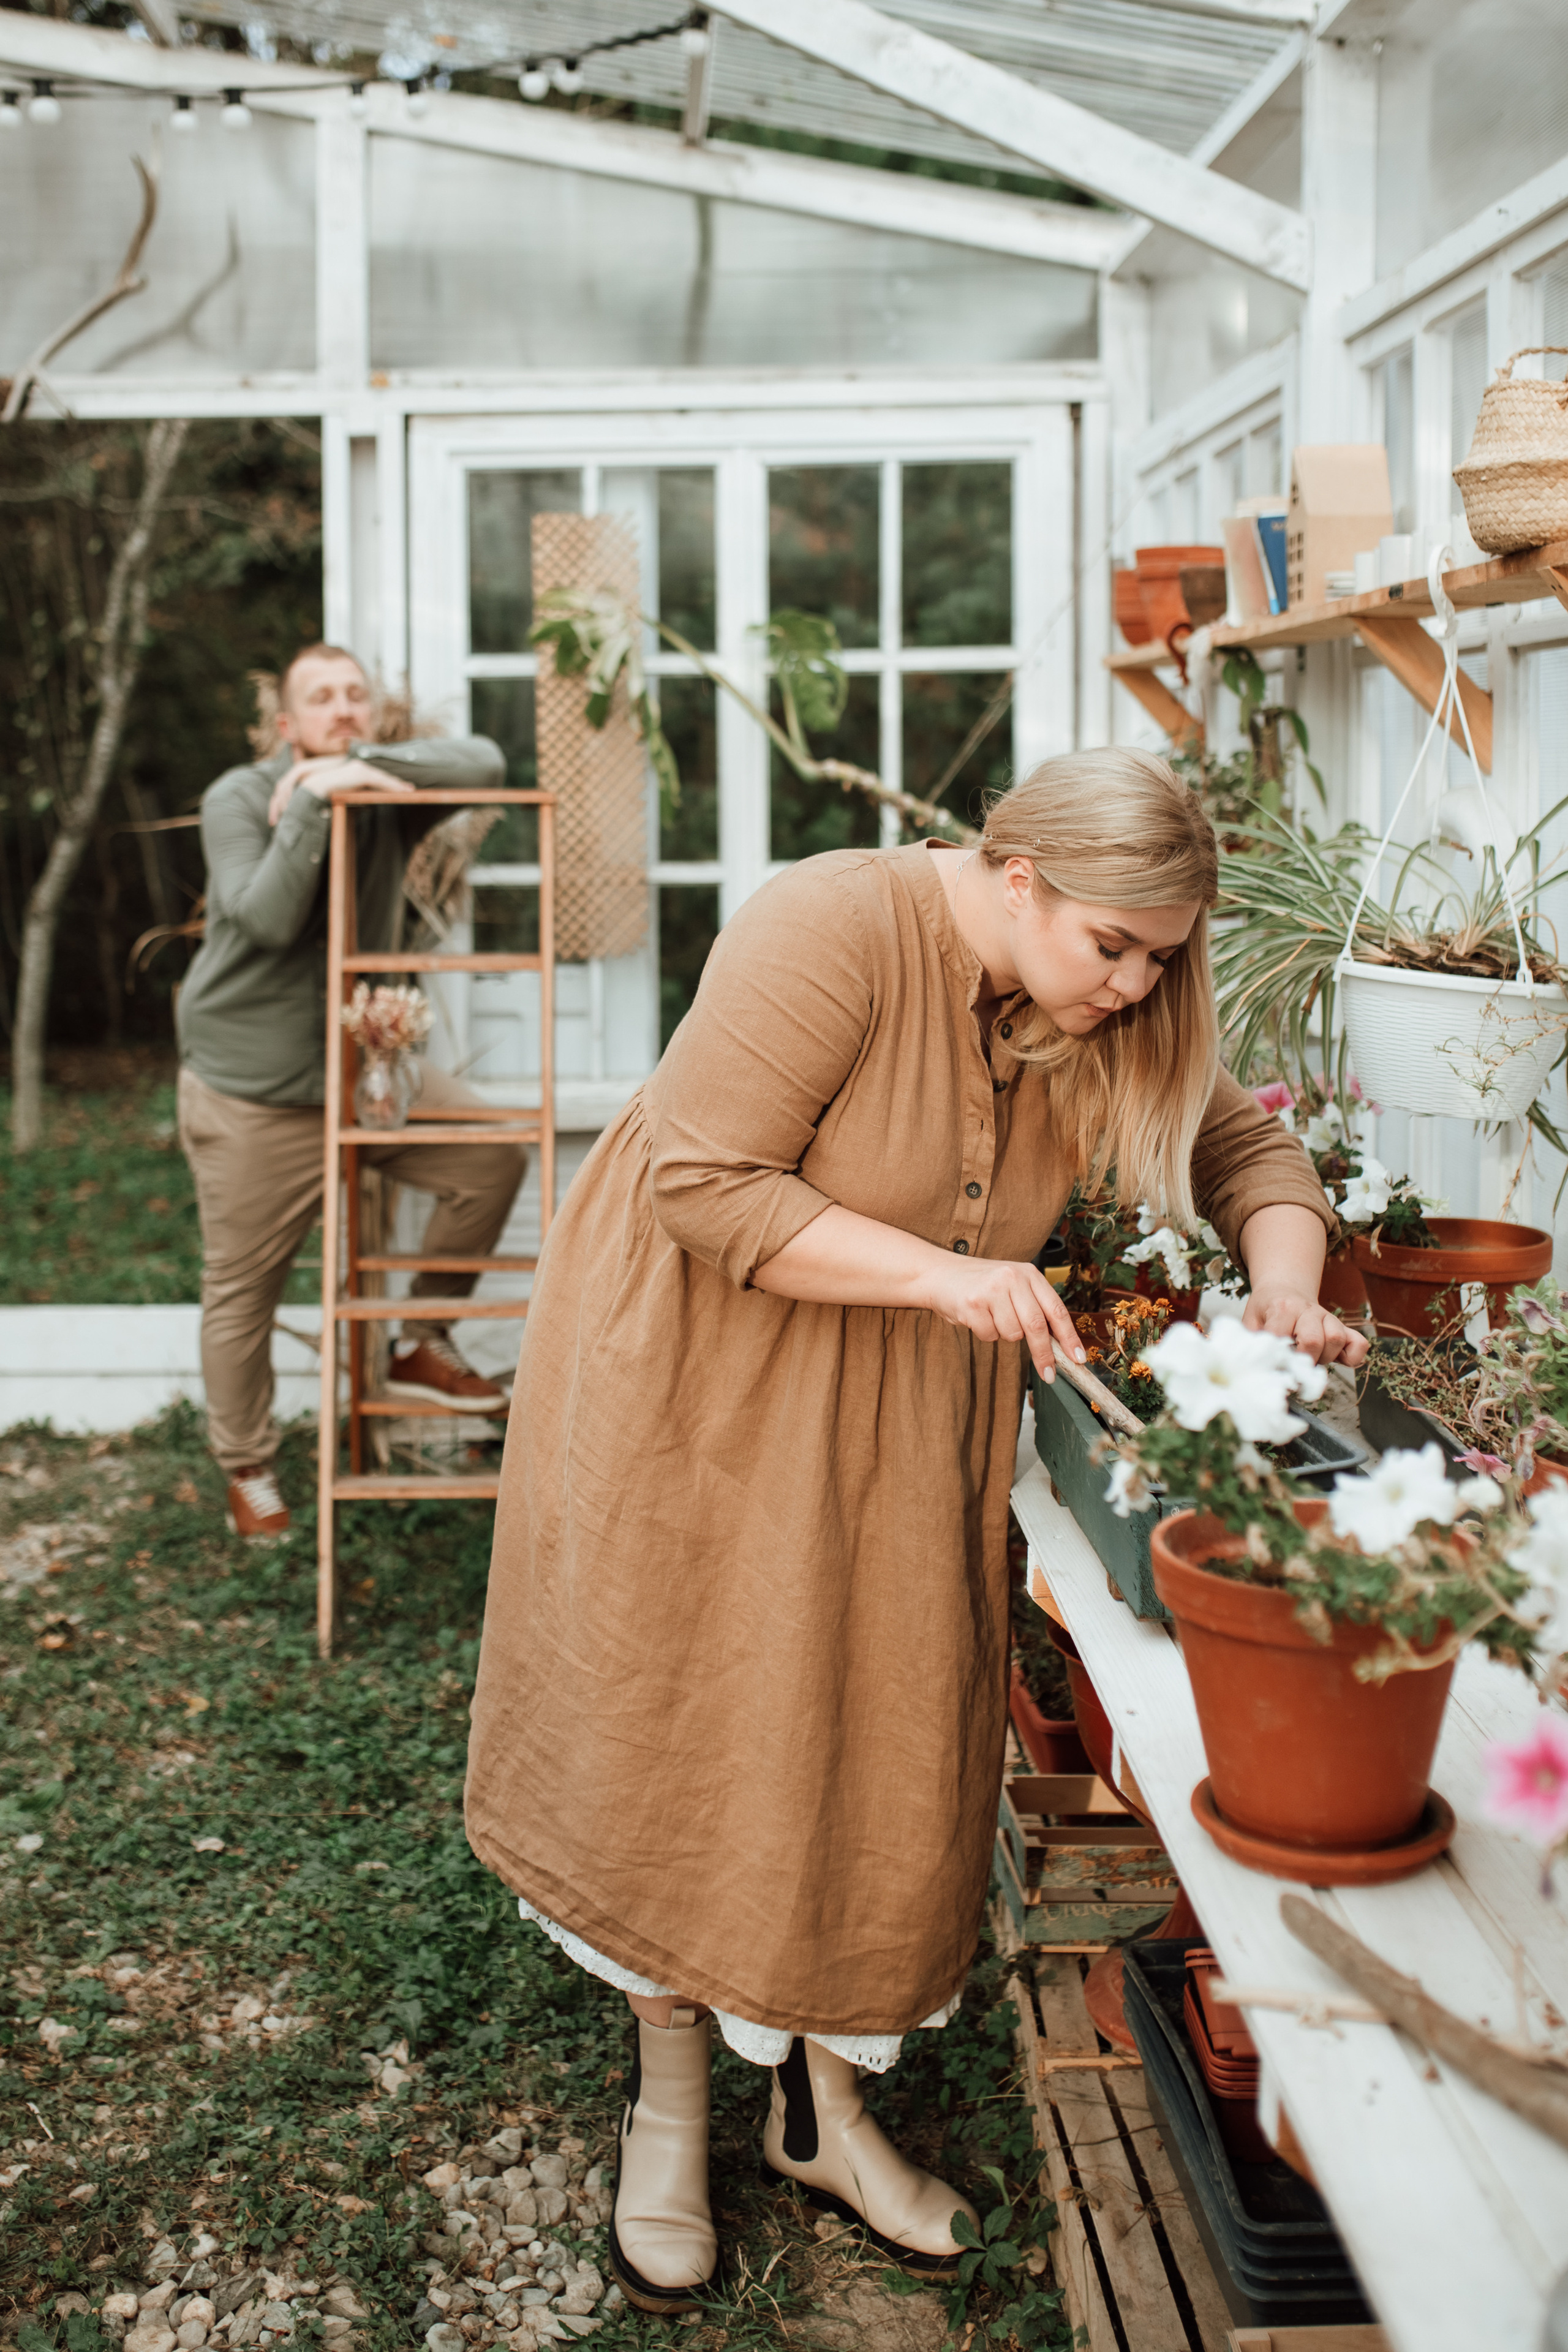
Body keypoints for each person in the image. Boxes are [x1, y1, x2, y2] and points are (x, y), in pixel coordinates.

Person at [464, 750, 1366, 2313]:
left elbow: (1246, 1152)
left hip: (896, 1404)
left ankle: (822, 2107)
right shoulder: (827, 926)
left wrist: (1280, 1275)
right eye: (1112, 946)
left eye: (1165, 955)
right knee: (687, 1721)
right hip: (702, 1373)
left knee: (861, 1722)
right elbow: (700, 1181)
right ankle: (669, 2107)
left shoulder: (1109, 990)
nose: (1136, 983)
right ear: (1014, 876)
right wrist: (950, 1279)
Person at [176, 643, 527, 1542]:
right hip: (253, 1093)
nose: (343, 708)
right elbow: (263, 918)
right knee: (243, 1289)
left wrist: (351, 772)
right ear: (286, 725)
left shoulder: (383, 789)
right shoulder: (239, 798)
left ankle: (419, 1337)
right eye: (321, 700)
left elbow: (486, 762)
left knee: (489, 1157)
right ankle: (247, 1467)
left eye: (355, 698)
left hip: (365, 1072)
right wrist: (313, 805)